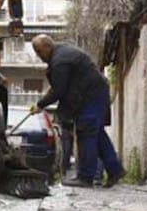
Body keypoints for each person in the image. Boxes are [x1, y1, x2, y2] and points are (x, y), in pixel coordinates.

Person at [30, 35, 124, 188]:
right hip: (94, 94)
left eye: (39, 51)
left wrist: (40, 104)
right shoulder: (61, 53)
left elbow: (59, 90)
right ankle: (115, 170)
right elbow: (63, 88)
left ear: (47, 46)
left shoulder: (60, 61)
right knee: (97, 134)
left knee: (86, 131)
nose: (39, 56)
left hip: (91, 97)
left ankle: (86, 177)